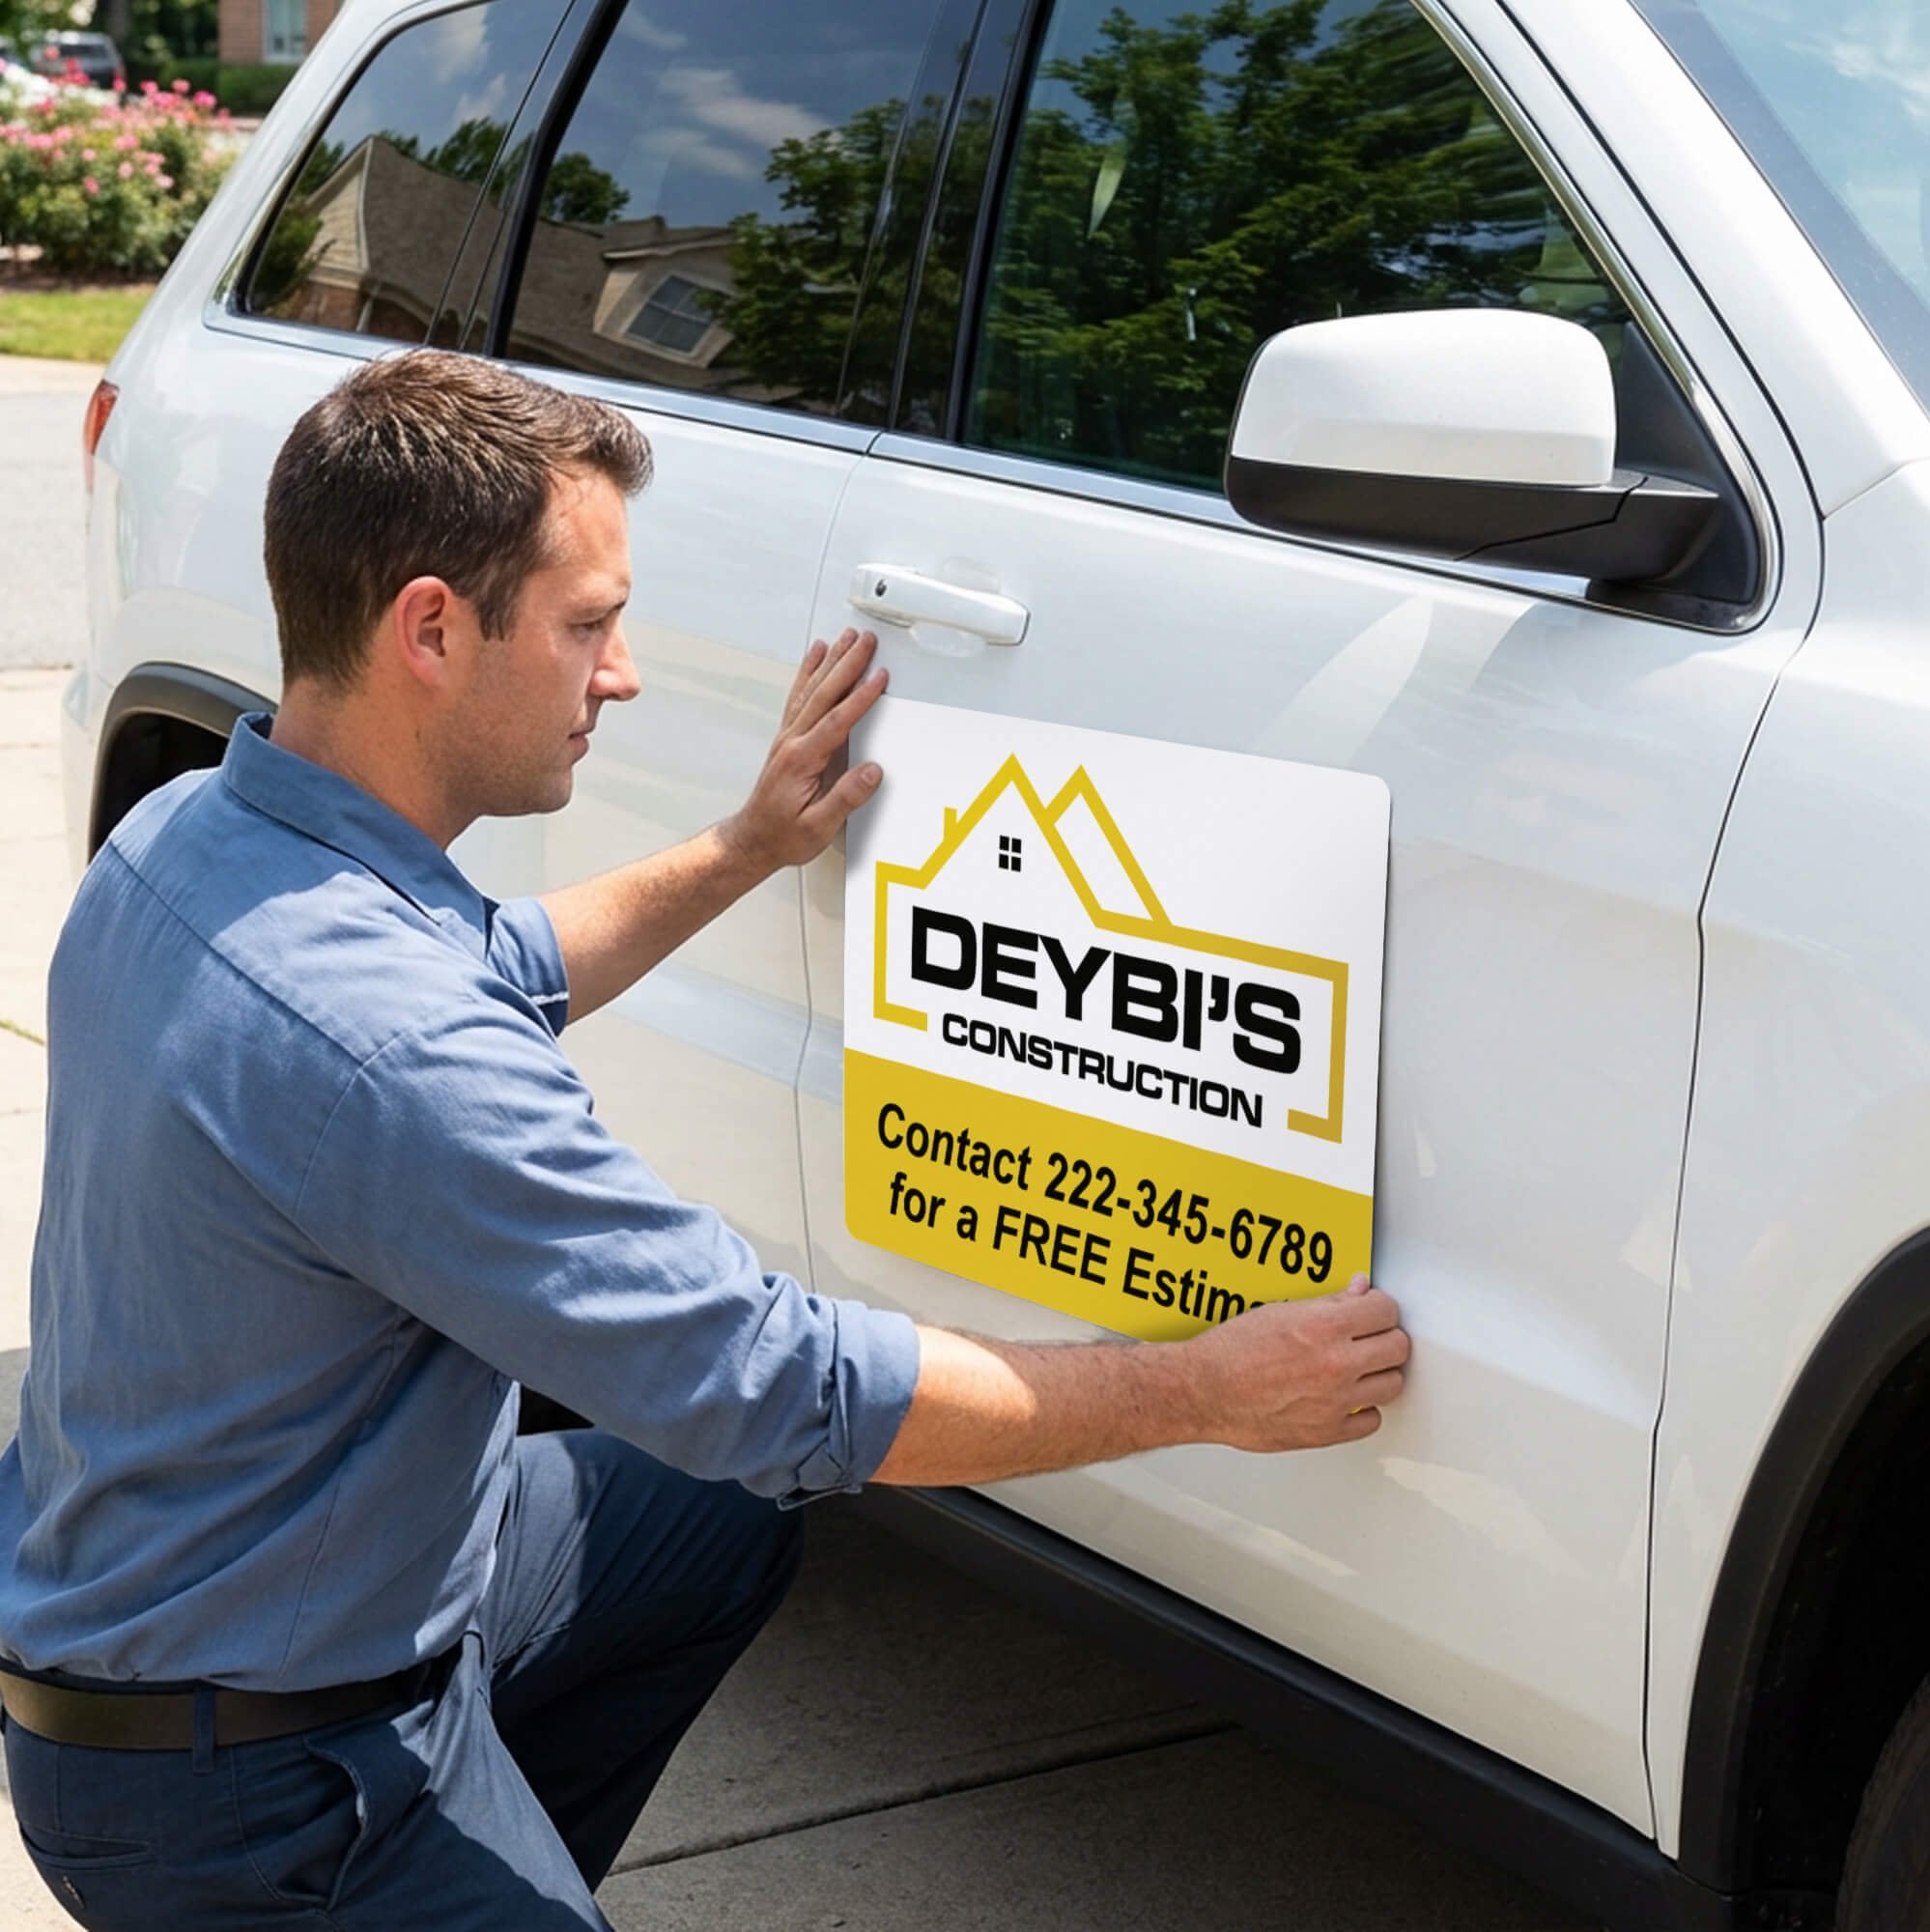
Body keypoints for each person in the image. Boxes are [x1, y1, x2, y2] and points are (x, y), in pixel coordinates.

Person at [0, 352, 1408, 1929]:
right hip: (250, 1783)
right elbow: (780, 1385)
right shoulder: (389, 1049)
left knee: (707, 1532)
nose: (624, 673)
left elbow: (504, 964)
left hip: (236, 1623)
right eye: (589, 623)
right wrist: (1208, 1387)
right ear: (431, 631)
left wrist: (746, 846)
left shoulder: (199, 835)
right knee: (759, 1463)